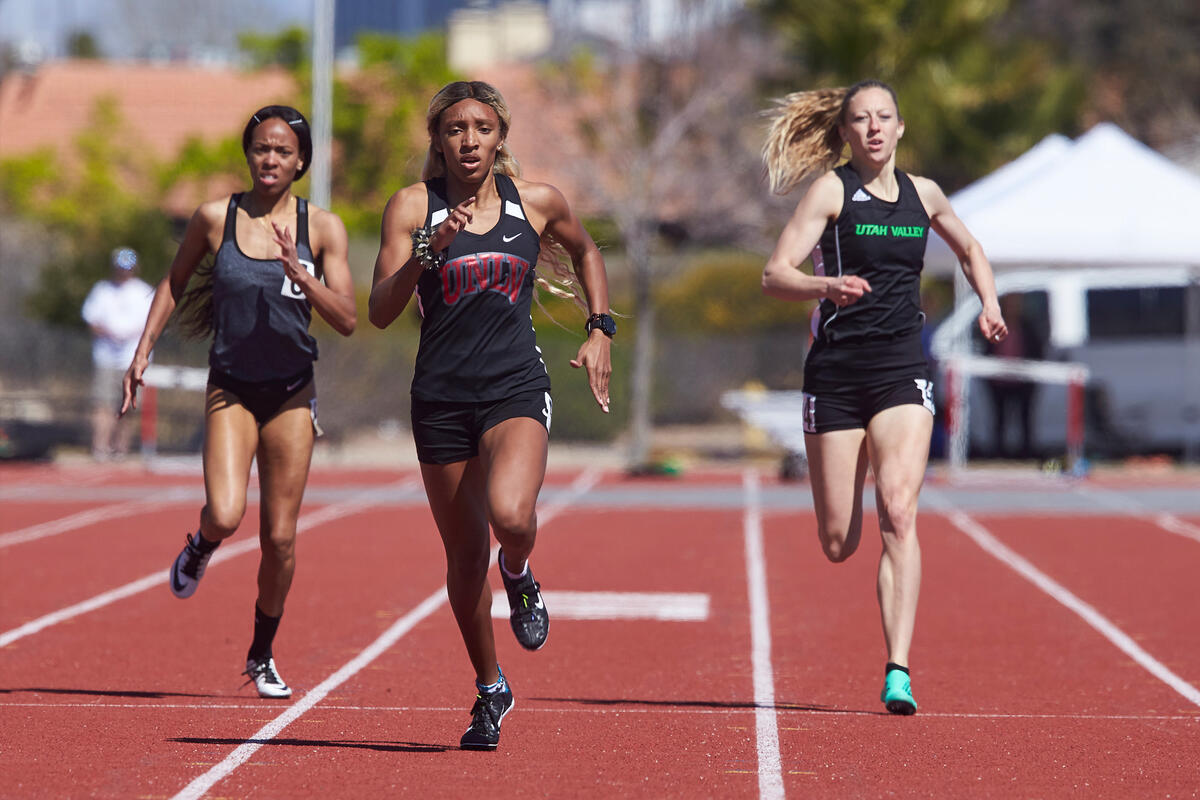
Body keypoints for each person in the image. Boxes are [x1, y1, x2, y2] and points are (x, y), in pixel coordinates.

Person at [368, 80, 613, 750]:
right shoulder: (411, 208)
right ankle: (489, 686)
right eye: (454, 129)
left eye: (481, 128)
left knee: (510, 518)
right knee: (464, 553)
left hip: (514, 386)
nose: (468, 141)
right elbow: (380, 311)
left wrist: (600, 330)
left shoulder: (535, 203)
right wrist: (425, 253)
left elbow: (588, 250)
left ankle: (521, 571)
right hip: (440, 397)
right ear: (437, 140)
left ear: (500, 136)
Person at [760, 80, 1007, 714]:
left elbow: (972, 248)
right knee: (838, 541)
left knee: (898, 511)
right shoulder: (831, 191)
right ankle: (860, 456)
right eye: (860, 120)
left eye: (884, 118)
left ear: (900, 128)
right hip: (837, 377)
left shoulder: (925, 195)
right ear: (844, 132)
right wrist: (825, 286)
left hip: (903, 371)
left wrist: (990, 303)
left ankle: (898, 669)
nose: (873, 128)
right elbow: (774, 274)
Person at [121, 106, 356, 698]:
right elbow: (174, 282)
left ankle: (261, 652)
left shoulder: (322, 228)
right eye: (260, 148)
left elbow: (349, 319)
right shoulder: (213, 218)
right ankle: (200, 545)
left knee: (280, 538)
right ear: (248, 155)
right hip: (231, 387)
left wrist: (301, 276)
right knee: (225, 514)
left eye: (281, 150)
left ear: (300, 160)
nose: (269, 159)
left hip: (292, 394)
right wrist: (143, 349)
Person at [81, 247, 154, 460]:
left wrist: (130, 335)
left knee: (129, 406)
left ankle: (121, 448)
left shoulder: (144, 291)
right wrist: (110, 333)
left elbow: (151, 324)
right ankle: (100, 447)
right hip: (106, 358)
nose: (124, 272)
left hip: (133, 360)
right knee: (102, 403)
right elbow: (91, 319)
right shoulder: (102, 290)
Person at [985, 293, 1047, 460]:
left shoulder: (1027, 326)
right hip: (999, 381)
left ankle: (1026, 453)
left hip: (1023, 381)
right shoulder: (996, 324)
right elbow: (987, 350)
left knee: (1025, 419)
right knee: (1000, 419)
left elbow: (1037, 350)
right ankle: (999, 453)